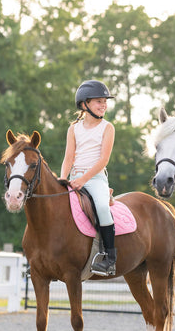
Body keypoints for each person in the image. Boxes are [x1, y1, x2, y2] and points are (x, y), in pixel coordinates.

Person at [60, 79, 117, 276]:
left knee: (101, 207)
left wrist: (83, 180)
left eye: (105, 101)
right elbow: (68, 158)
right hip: (73, 177)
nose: (104, 105)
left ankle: (110, 258)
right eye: (99, 101)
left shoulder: (107, 128)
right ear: (84, 104)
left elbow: (103, 160)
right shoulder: (73, 129)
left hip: (95, 179)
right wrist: (62, 178)